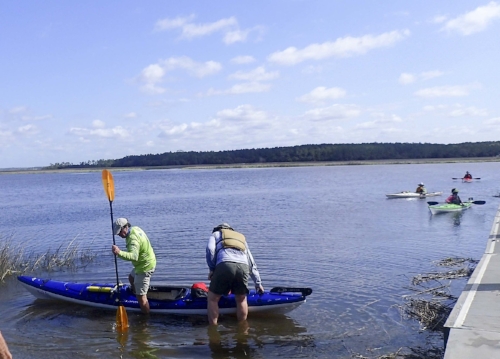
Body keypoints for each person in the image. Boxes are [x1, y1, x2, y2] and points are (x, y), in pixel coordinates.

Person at [205, 223, 264, 326]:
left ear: (218, 229)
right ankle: (242, 328)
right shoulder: (241, 238)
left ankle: (213, 328)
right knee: (241, 299)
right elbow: (251, 262)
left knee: (212, 298)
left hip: (225, 264)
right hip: (243, 266)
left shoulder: (215, 235)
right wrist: (258, 283)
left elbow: (210, 250)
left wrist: (212, 269)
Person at [111, 218, 156, 314]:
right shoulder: (136, 229)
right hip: (145, 263)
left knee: (142, 299)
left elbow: (134, 256)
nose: (119, 235)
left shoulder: (132, 240)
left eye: (120, 232)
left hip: (144, 267)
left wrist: (119, 253)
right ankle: (137, 294)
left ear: (126, 227)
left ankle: (145, 319)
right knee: (131, 278)